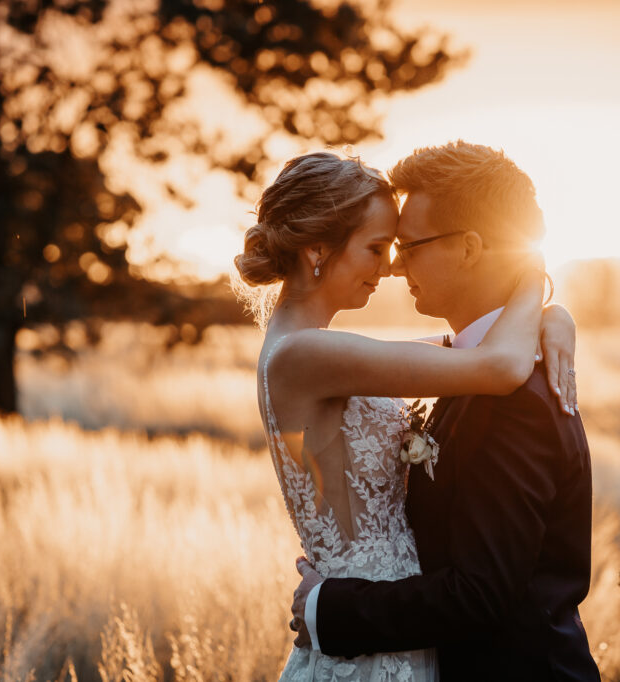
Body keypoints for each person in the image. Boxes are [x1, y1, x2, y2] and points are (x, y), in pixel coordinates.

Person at [232, 150, 579, 681]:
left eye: (396, 247)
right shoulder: (304, 355)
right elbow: (499, 363)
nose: (389, 266)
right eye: (376, 248)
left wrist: (554, 317)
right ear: (317, 250)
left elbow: (464, 348)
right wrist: (533, 276)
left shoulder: (318, 351)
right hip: (367, 629)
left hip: (386, 617)